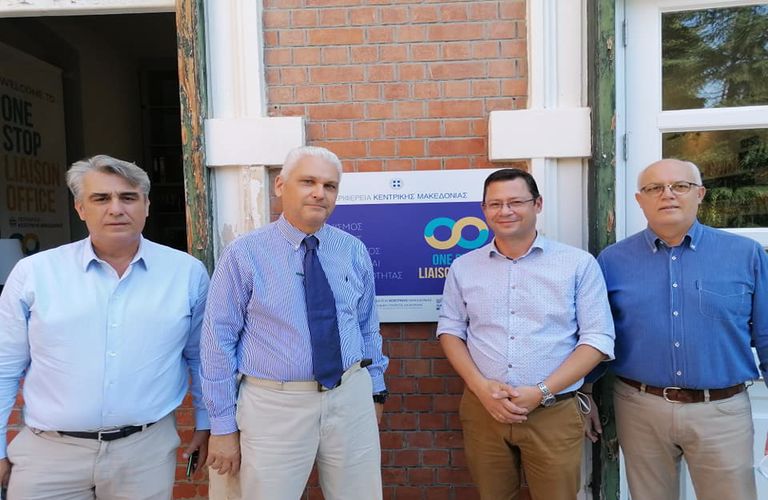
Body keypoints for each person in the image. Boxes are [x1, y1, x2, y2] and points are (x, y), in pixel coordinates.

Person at [0, 154, 210, 499]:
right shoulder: (34, 273)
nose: (116, 209)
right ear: (80, 208)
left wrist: (206, 422)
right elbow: (4, 367)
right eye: (101, 198)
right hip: (49, 456)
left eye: (128, 197)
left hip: (145, 453)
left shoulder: (186, 273)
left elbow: (202, 358)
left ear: (146, 205)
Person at [201, 145, 388, 500]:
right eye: (308, 182)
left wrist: (375, 391)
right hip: (274, 405)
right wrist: (222, 426)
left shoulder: (352, 250)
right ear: (280, 186)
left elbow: (367, 326)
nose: (320, 193)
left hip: (350, 396)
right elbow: (217, 341)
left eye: (330, 186)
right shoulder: (244, 254)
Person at [590, 158, 768, 500]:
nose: (667, 194)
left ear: (700, 194)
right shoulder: (612, 261)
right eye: (654, 188)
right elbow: (596, 335)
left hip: (722, 411)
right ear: (640, 199)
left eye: (680, 186)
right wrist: (584, 393)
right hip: (640, 408)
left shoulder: (745, 255)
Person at [437, 168, 615, 499]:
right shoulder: (464, 267)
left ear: (538, 204)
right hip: (484, 410)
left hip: (553, 411)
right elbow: (450, 330)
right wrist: (481, 388)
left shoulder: (578, 264)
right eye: (495, 204)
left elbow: (597, 339)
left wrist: (541, 392)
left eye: (516, 202)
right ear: (484, 209)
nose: (505, 211)